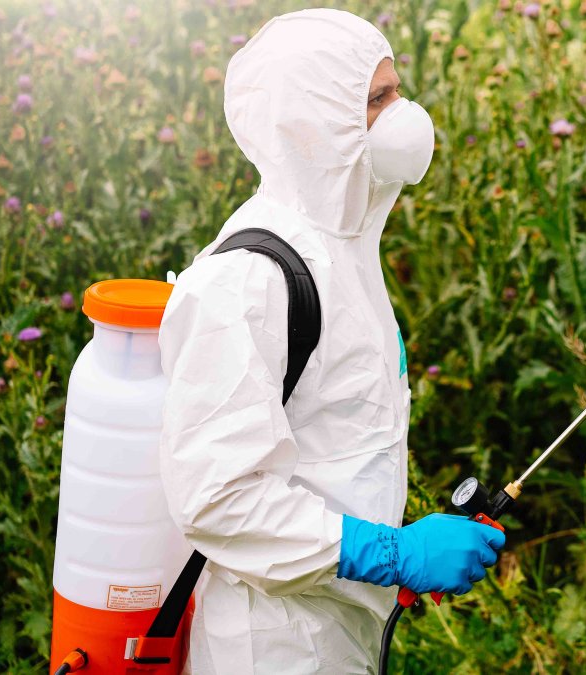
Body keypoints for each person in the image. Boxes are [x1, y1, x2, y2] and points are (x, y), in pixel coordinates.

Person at [157, 8, 505, 673]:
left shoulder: (345, 248)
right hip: (274, 643)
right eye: (376, 100)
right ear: (315, 123)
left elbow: (333, 443)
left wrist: (403, 542)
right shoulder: (244, 283)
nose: (404, 114)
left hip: (339, 625)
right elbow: (218, 497)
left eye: (396, 91)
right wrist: (390, 552)